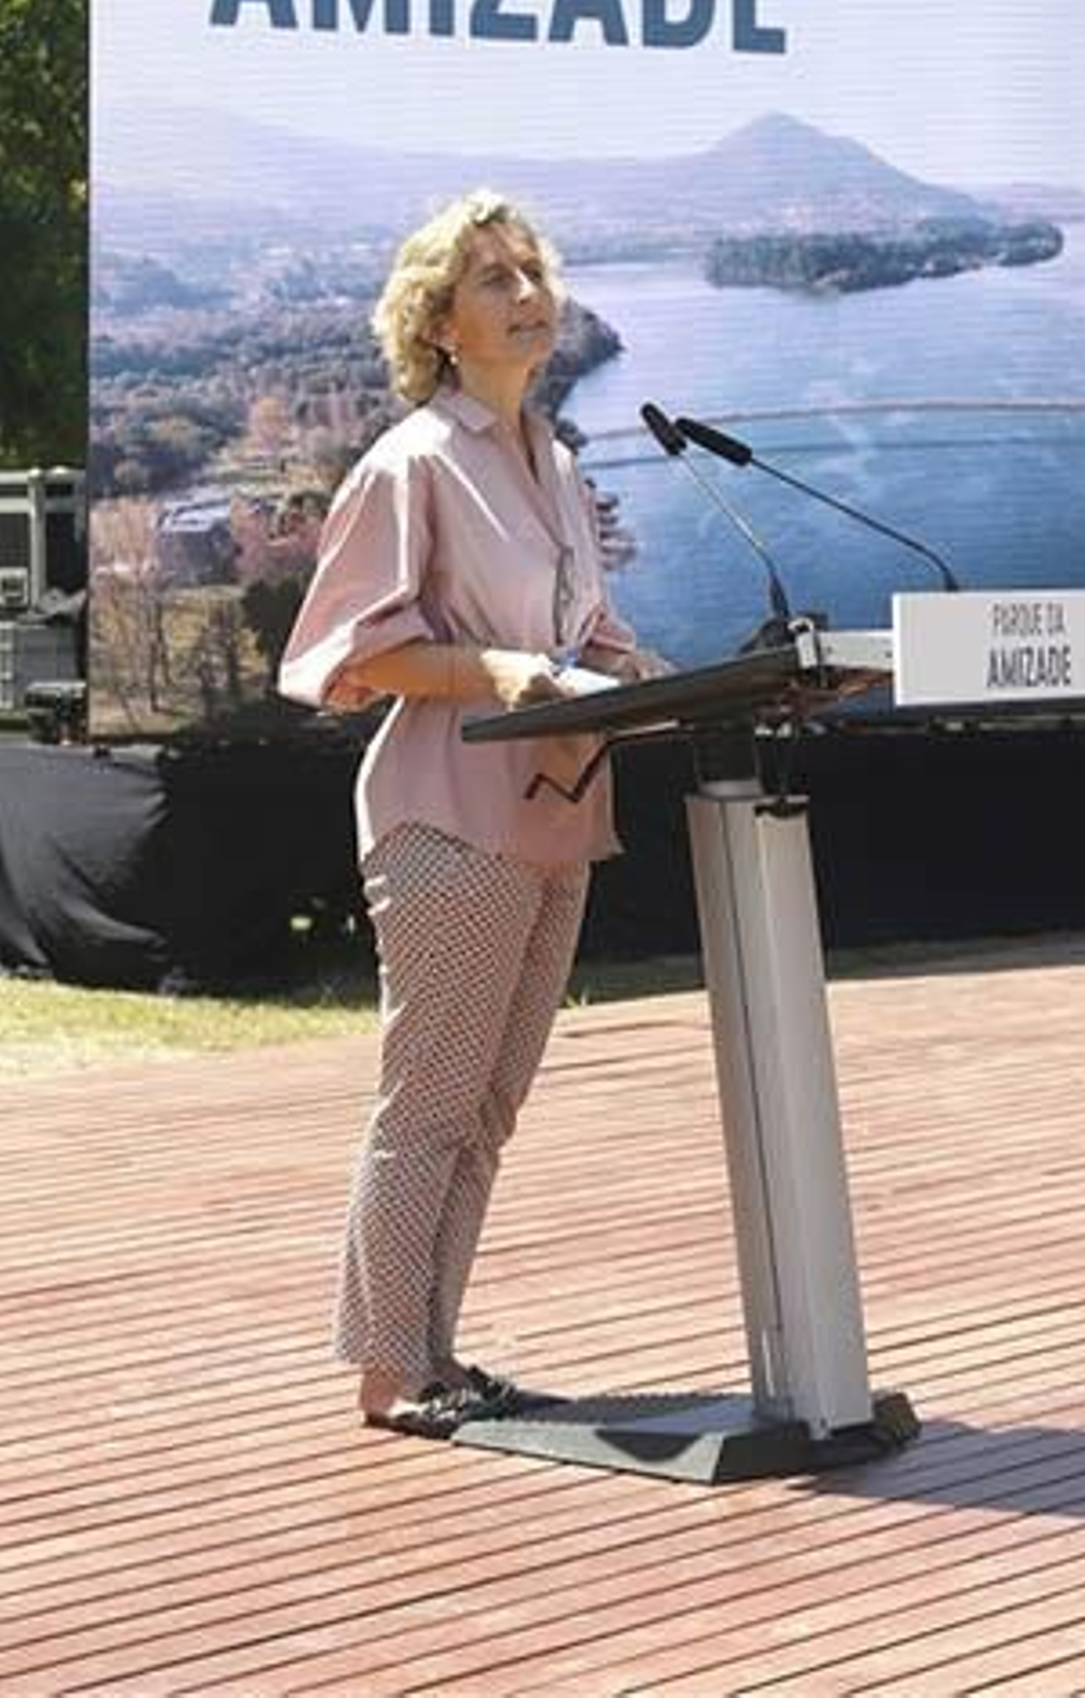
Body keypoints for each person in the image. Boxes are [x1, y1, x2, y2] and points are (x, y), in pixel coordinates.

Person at [279, 190, 659, 1440]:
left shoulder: (551, 457)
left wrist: (640, 669)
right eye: (494, 279)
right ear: (439, 323)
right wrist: (494, 671)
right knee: (429, 1104)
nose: (527, 295)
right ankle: (392, 1371)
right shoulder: (412, 463)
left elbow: (578, 632)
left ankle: (435, 1355)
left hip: (555, 811)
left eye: (534, 271)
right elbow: (354, 652)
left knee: (487, 1111)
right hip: (446, 814)